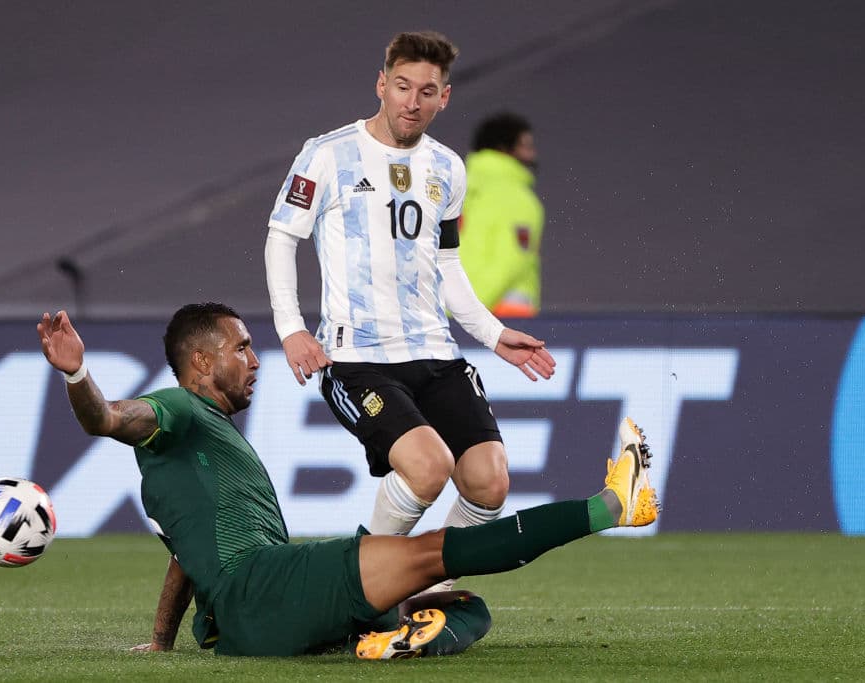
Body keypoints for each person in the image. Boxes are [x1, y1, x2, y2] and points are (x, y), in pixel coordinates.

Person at [37, 304, 658, 658]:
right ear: (201, 360)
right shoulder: (177, 407)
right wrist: (76, 375)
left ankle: (398, 642)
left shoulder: (205, 443)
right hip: (266, 588)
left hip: (262, 610)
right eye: (242, 347)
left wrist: (161, 642)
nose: (254, 360)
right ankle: (610, 506)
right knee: (437, 553)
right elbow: (107, 418)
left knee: (464, 605)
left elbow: (185, 555)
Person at [264, 31, 555, 578]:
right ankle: (358, 586)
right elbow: (282, 237)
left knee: (490, 482)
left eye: (427, 91)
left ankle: (425, 594)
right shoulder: (327, 154)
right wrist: (291, 328)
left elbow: (447, 266)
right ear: (381, 85)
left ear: (444, 97)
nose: (412, 102)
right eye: (402, 86)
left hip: (435, 353)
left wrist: (493, 334)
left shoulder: (448, 168)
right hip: (359, 359)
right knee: (428, 468)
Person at [458, 112, 544, 318]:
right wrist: (468, 312)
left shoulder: (457, 188)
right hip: (503, 318)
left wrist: (453, 310)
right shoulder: (518, 198)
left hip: (453, 313)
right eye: (525, 146)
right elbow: (510, 261)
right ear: (503, 148)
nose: (532, 155)